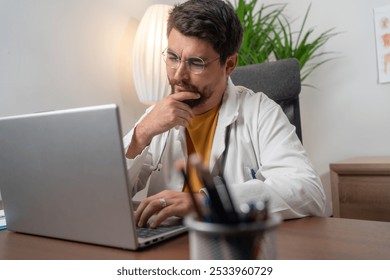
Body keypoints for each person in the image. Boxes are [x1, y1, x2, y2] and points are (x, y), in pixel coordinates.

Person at [124, 0, 325, 228]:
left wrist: (206, 202)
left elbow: (309, 191)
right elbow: (107, 191)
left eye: (195, 63)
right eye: (172, 57)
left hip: (231, 247)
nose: (178, 75)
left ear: (229, 64)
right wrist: (140, 136)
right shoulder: (155, 117)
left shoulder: (260, 112)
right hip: (163, 246)